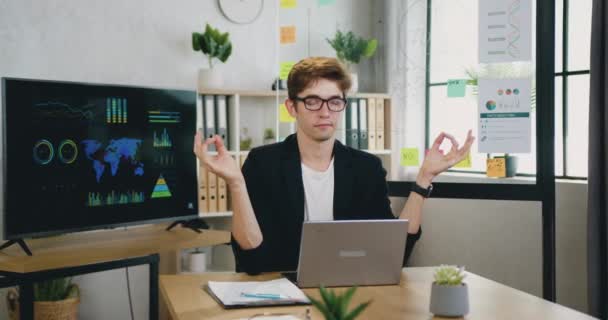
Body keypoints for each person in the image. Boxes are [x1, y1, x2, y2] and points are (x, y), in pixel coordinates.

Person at [194, 57, 474, 274]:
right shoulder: (263, 164)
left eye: (334, 101)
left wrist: (424, 178)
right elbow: (252, 257)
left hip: (350, 291)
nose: (325, 112)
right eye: (313, 101)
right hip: (279, 295)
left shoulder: (366, 169)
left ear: (343, 105)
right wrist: (235, 182)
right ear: (292, 107)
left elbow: (394, 252)